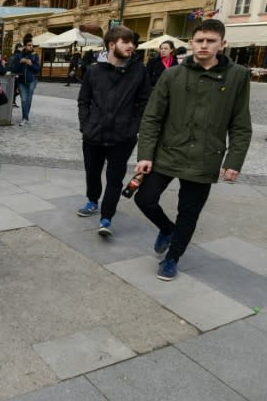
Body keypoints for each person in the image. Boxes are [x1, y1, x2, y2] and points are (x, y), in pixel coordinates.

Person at [134, 19, 252, 281]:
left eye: (211, 41)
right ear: (191, 43)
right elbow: (152, 117)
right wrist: (144, 155)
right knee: (144, 198)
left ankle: (172, 258)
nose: (204, 45)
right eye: (199, 40)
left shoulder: (237, 76)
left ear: (222, 44)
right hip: (168, 151)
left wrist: (234, 160)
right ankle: (166, 229)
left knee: (189, 212)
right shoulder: (172, 74)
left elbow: (240, 124)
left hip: (205, 157)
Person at [76, 26, 151, 236]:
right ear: (111, 44)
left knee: (115, 178)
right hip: (94, 134)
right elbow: (83, 100)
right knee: (92, 172)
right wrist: (86, 124)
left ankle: (106, 218)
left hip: (122, 137)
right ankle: (92, 200)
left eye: (132, 42)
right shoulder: (93, 70)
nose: (131, 46)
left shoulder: (138, 70)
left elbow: (145, 101)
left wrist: (133, 125)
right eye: (125, 42)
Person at [9, 37, 41, 126]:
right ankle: (24, 118)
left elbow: (37, 69)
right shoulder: (19, 55)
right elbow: (13, 69)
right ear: (24, 46)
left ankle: (25, 117)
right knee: (24, 99)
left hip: (32, 81)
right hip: (21, 81)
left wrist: (30, 64)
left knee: (29, 100)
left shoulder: (35, 55)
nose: (31, 47)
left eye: (32, 45)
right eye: (29, 45)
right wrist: (20, 62)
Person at [9, 43, 23, 107]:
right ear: (18, 48)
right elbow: (17, 65)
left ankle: (12, 101)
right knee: (18, 89)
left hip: (14, 74)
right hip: (17, 74)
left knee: (14, 89)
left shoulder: (14, 55)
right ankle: (12, 101)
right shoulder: (18, 55)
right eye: (21, 47)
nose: (22, 48)